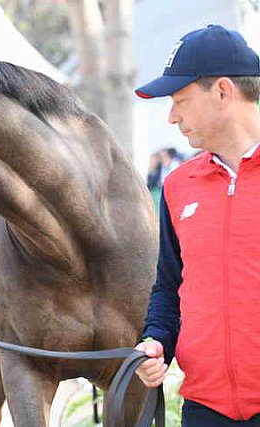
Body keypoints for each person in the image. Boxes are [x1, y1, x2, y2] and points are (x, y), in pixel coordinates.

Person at [134, 24, 260, 426]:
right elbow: (169, 286)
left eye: (180, 100)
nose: (172, 117)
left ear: (223, 92)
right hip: (205, 411)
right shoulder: (177, 186)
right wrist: (156, 341)